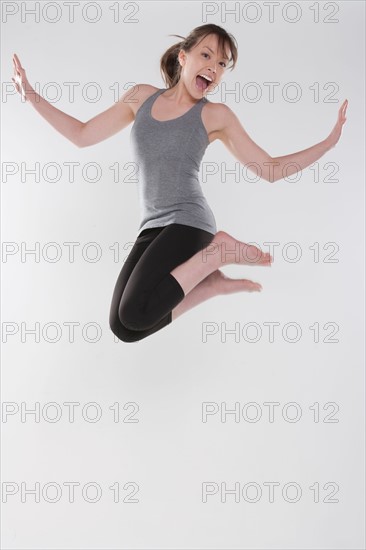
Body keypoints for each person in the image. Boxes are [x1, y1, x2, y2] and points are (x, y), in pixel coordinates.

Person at [12, 24, 348, 343]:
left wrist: (328, 143)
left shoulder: (215, 115)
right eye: (206, 56)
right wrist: (30, 95)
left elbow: (271, 169)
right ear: (183, 57)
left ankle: (219, 252)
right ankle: (210, 285)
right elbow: (82, 135)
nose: (214, 68)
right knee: (123, 326)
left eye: (221, 63)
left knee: (135, 310)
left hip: (189, 222)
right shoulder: (141, 97)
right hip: (152, 226)